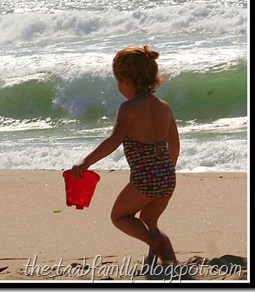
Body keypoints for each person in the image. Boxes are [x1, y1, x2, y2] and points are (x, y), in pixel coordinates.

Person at [71, 45, 180, 264]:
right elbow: (174, 143)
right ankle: (170, 264)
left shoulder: (128, 108)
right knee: (150, 222)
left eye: (118, 81)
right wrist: (167, 170)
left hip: (144, 179)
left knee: (120, 217)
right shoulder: (164, 107)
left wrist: (85, 162)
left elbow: (113, 141)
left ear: (126, 81)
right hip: (167, 177)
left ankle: (155, 244)